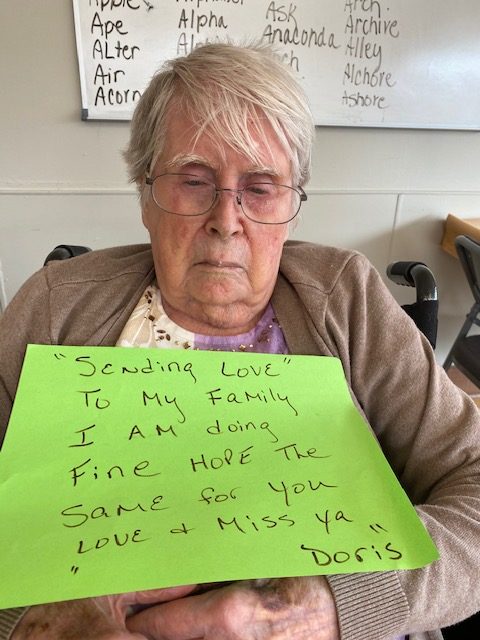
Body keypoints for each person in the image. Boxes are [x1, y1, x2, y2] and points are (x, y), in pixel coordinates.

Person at [0, 42, 479, 640]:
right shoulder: (55, 307)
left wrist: (337, 605)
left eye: (260, 186)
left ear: (294, 207)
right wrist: (31, 623)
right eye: (194, 180)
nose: (227, 219)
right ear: (145, 193)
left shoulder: (346, 299)